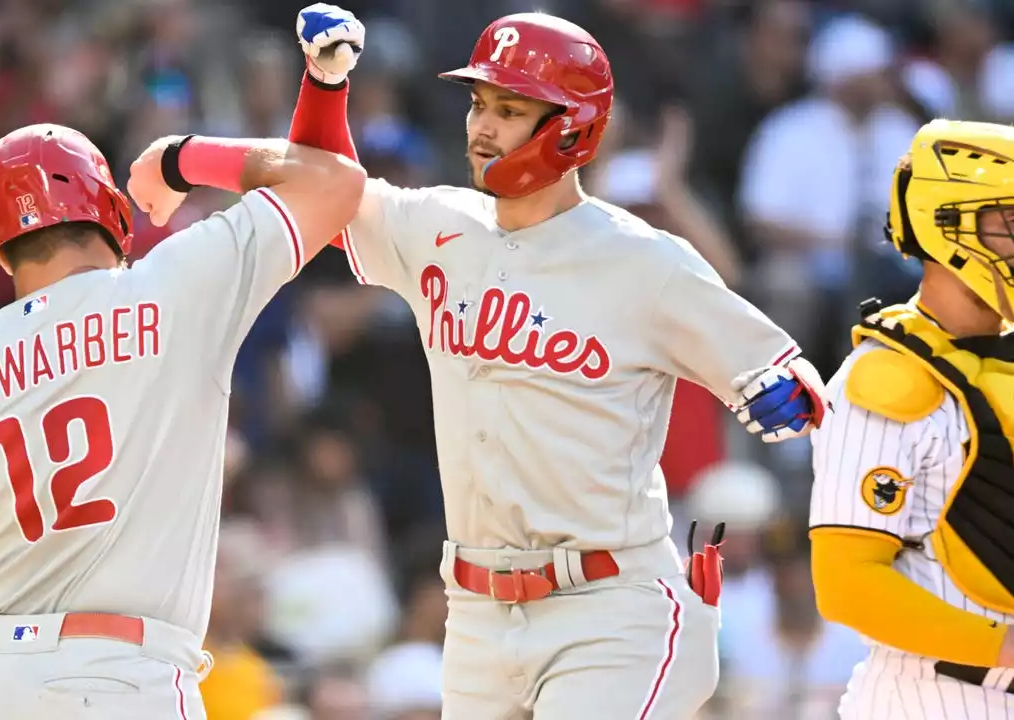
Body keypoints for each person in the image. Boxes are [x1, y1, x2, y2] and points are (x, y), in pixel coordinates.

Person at [277, 5, 829, 719]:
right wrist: (325, 83)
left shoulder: (644, 262)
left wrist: (791, 392)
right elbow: (322, 188)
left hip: (609, 607)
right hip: (475, 614)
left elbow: (790, 379)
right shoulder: (439, 223)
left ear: (571, 125)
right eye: (479, 103)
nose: (480, 125)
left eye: (508, 108)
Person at [0, 116, 364, 717]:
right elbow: (335, 181)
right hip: (124, 676)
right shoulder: (170, 284)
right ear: (110, 210)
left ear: (0, 243)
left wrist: (27, 669)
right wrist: (180, 160)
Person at [808, 118, 1014, 718]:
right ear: (950, 223)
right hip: (934, 698)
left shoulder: (1000, 365)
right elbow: (848, 585)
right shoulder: (887, 379)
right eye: (1009, 223)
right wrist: (1003, 646)